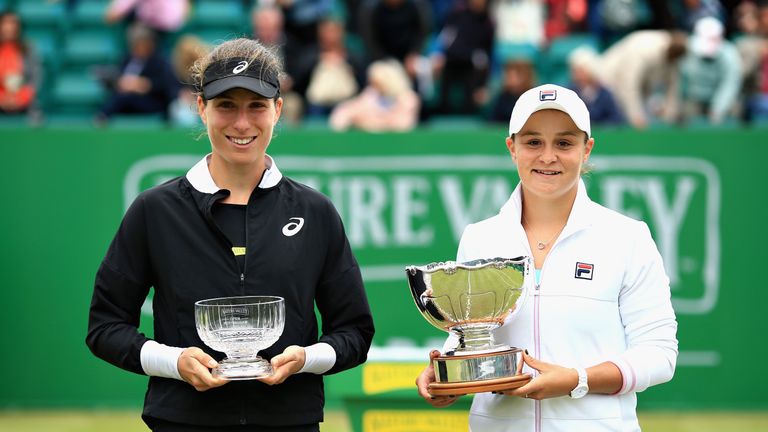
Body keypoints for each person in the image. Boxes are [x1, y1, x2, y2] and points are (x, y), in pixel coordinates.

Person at [86, 38, 375, 431]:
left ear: (278, 109)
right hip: (183, 421)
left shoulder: (315, 212)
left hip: (290, 420)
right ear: (202, 108)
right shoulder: (155, 210)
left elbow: (355, 332)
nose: (242, 123)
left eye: (256, 106)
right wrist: (174, 362)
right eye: (226, 106)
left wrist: (306, 358)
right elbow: (105, 327)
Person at [416, 84, 678, 431]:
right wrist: (448, 373)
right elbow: (473, 336)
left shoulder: (628, 237)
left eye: (565, 143)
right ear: (512, 148)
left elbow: (659, 355)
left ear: (587, 149)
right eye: (533, 142)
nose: (548, 156)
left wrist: (576, 379)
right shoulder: (479, 238)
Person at [95, 23, 179, 124]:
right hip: (126, 99)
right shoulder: (127, 59)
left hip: (150, 101)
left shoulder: (159, 61)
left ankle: (102, 117)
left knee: (123, 97)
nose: (135, 47)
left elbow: (165, 85)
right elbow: (119, 77)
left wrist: (144, 85)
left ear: (149, 43)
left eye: (139, 44)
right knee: (119, 96)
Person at [0, 11, 41, 116]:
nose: (9, 28)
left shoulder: (28, 48)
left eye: (13, 24)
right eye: (5, 23)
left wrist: (21, 98)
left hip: (24, 103)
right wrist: (2, 99)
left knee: (36, 116)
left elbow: (36, 78)